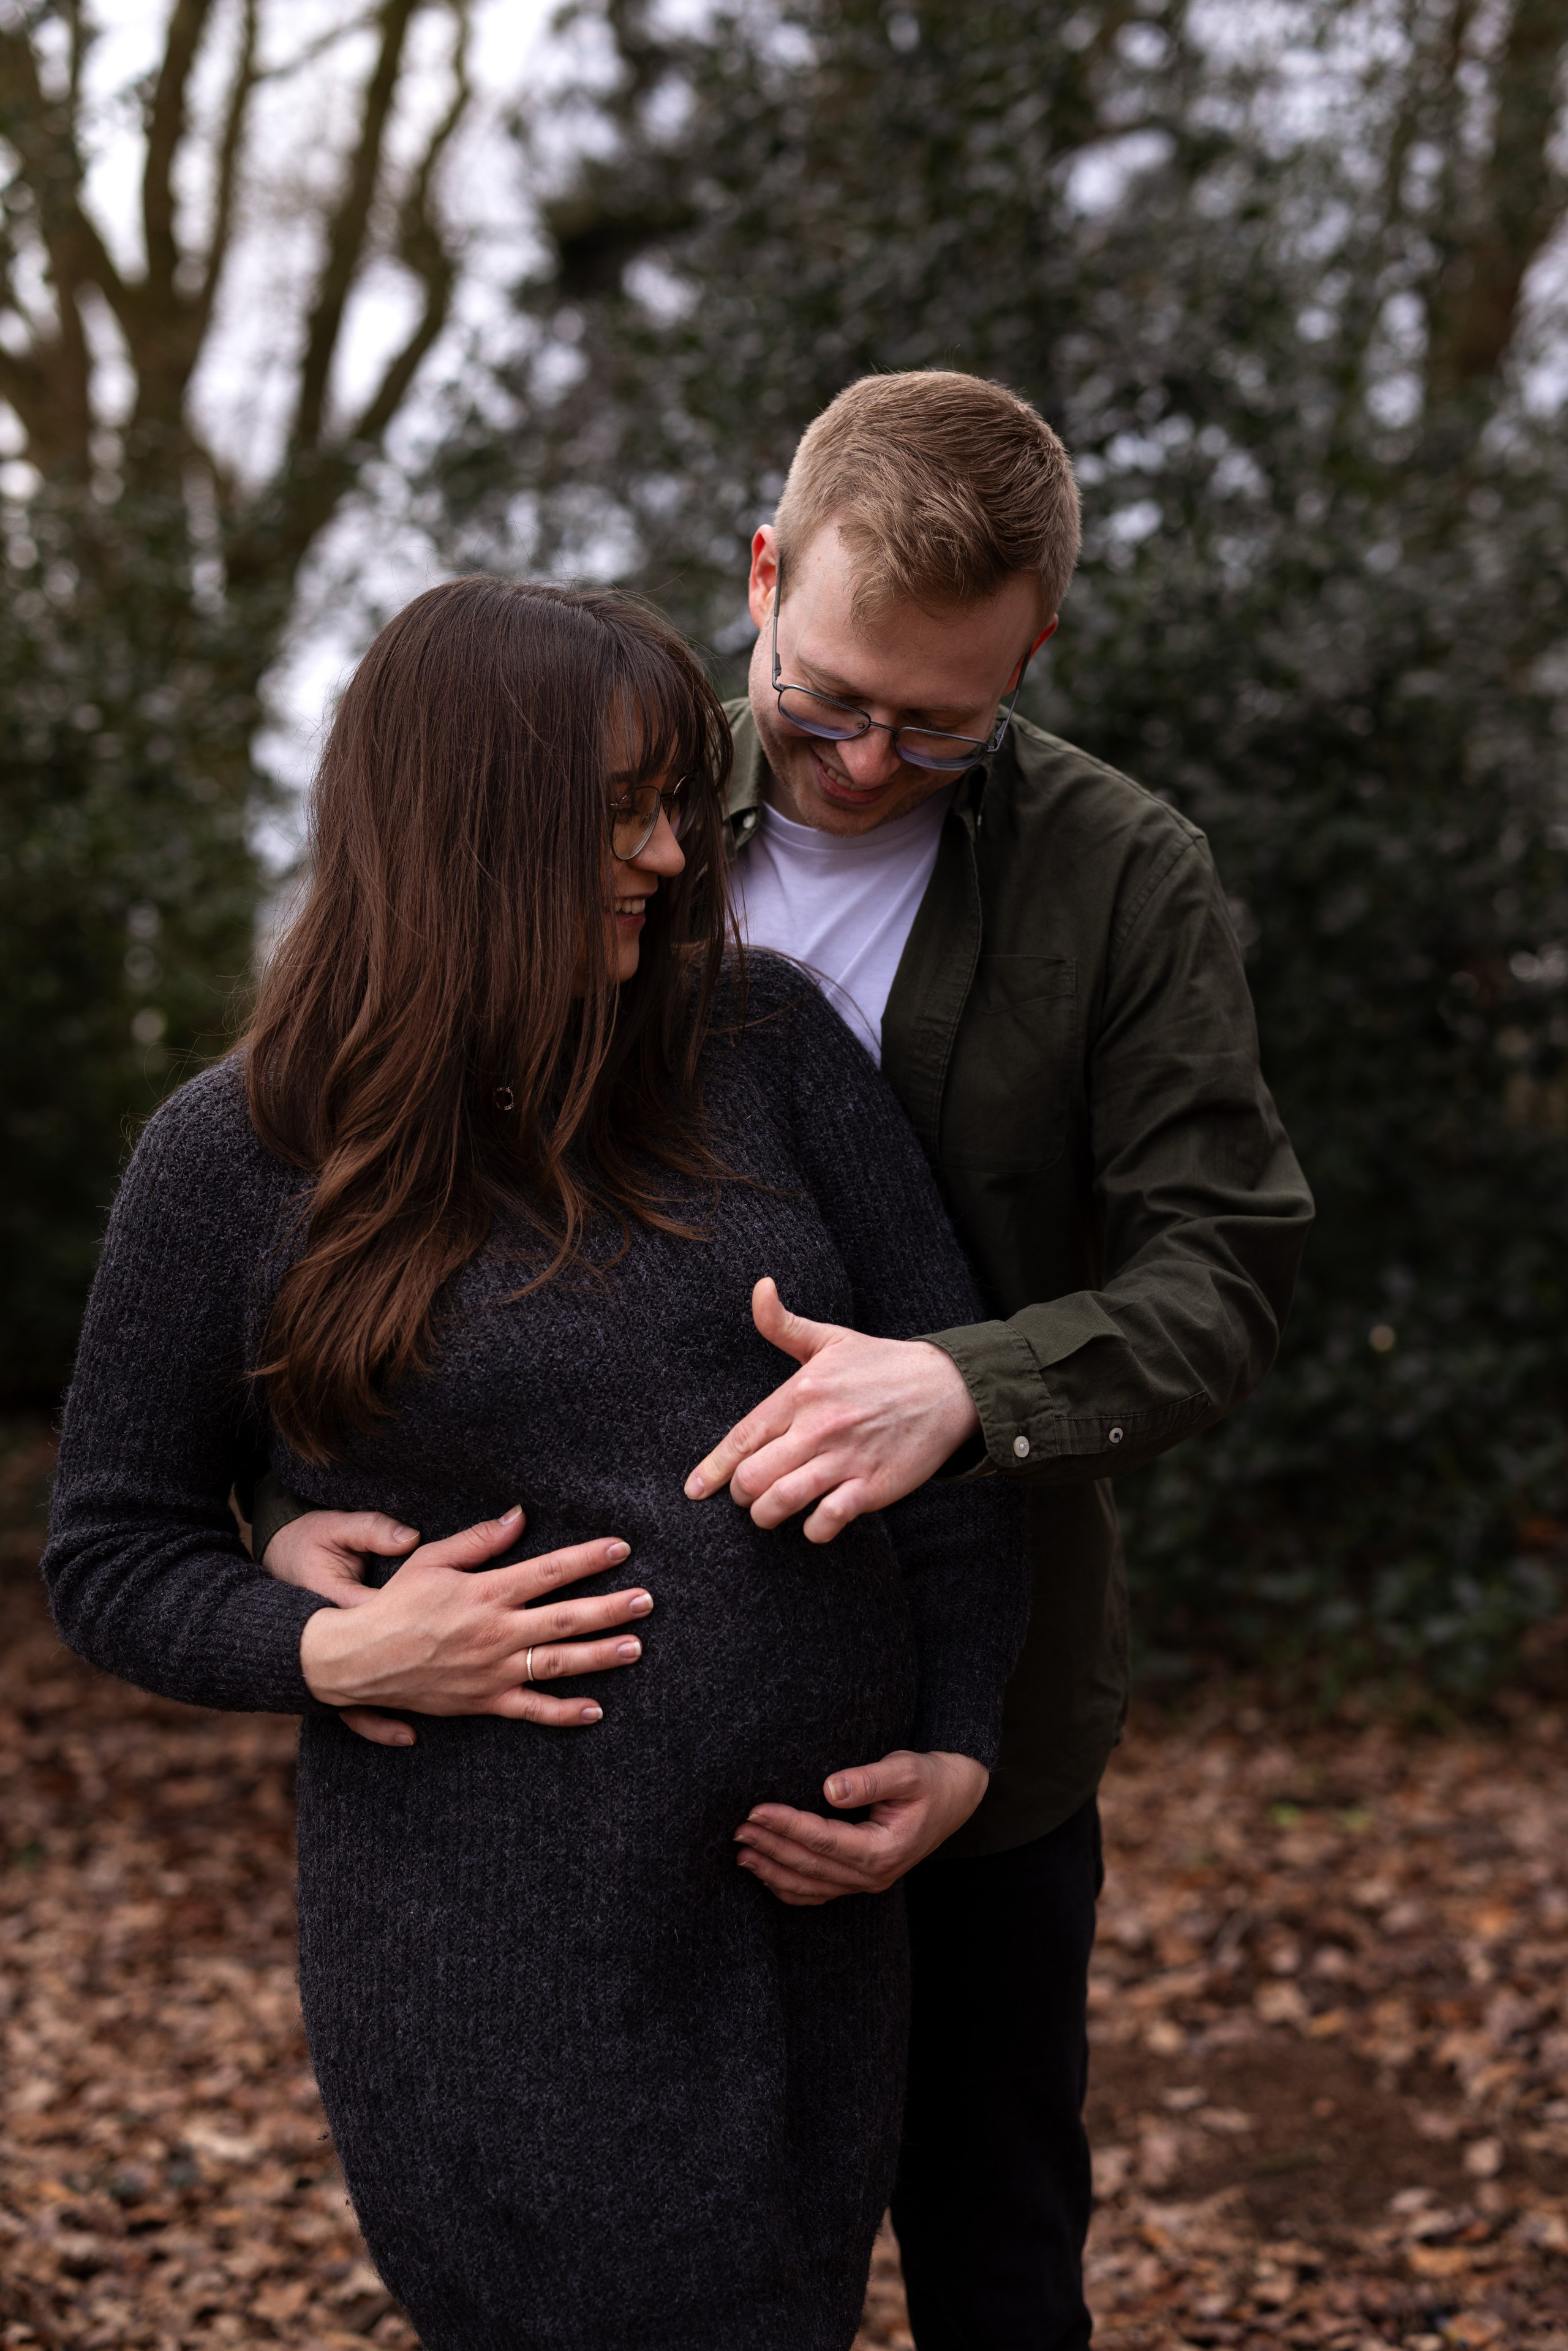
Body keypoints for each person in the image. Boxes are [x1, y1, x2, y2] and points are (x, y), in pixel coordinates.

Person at [252, 374, 1315, 2349]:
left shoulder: (1122, 879)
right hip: (587, 1803)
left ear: (1037, 649)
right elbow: (337, 1199)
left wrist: (968, 1385)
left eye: (939, 720)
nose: (862, 756)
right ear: (764, 570)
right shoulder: (593, 806)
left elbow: (1230, 1271)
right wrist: (288, 1530)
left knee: (998, 2231)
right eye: (826, 694)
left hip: (960, 1712)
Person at [41, 579, 1031, 2351]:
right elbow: (112, 1548)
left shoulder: (765, 1046)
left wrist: (956, 1743)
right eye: (620, 813)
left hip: (802, 1921)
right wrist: (324, 1648)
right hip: (496, 1958)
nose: (670, 851)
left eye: (676, 801)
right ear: (469, 829)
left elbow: (942, 1419)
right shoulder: (242, 1153)